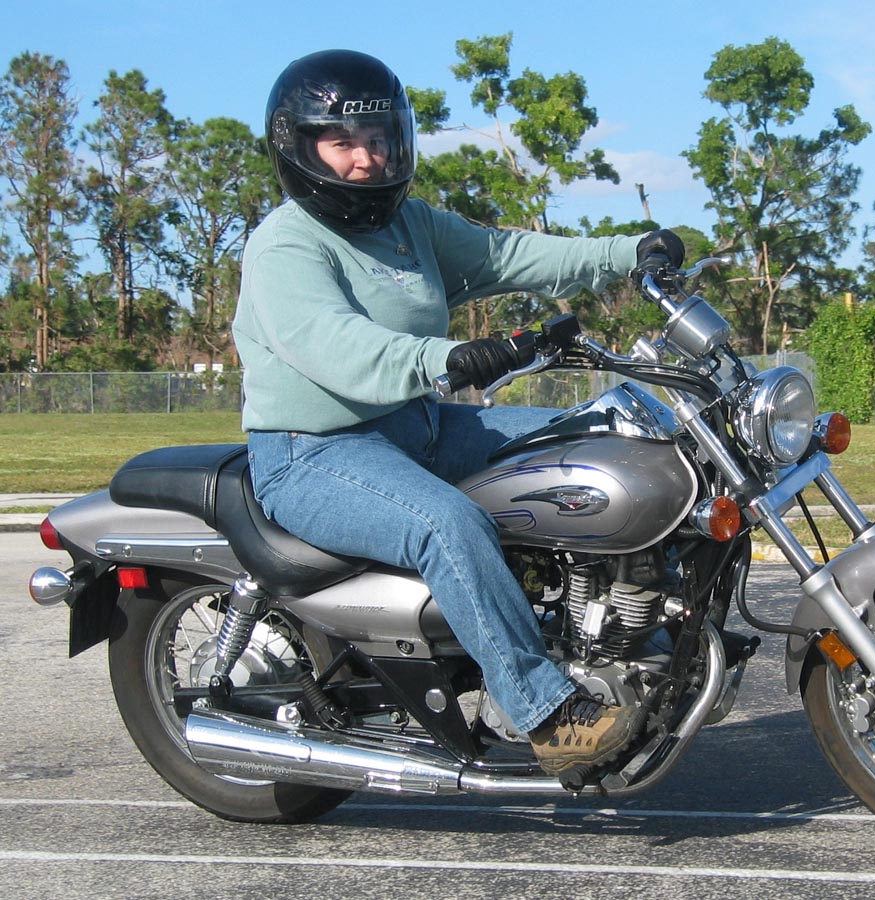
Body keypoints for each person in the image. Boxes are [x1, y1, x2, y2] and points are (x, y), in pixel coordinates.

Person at [232, 49, 685, 780]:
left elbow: (510, 254)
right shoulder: (286, 245)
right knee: (448, 524)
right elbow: (338, 347)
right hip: (314, 451)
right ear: (299, 147)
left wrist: (628, 250)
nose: (365, 160)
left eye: (378, 140)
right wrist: (447, 358)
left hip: (420, 429)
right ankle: (547, 714)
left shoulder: (409, 224)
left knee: (602, 438)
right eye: (342, 143)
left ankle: (642, 634)